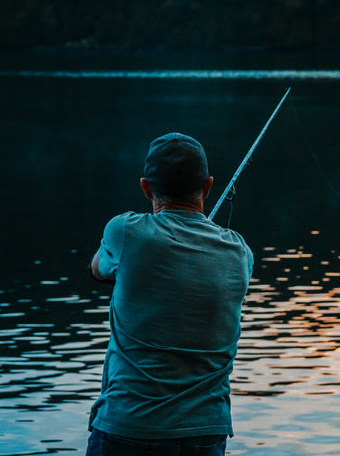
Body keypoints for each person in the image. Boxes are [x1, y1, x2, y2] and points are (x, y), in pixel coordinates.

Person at [86, 132, 254, 456]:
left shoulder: (125, 231)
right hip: (206, 434)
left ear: (146, 188)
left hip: (127, 427)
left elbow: (97, 270)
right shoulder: (240, 253)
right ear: (208, 186)